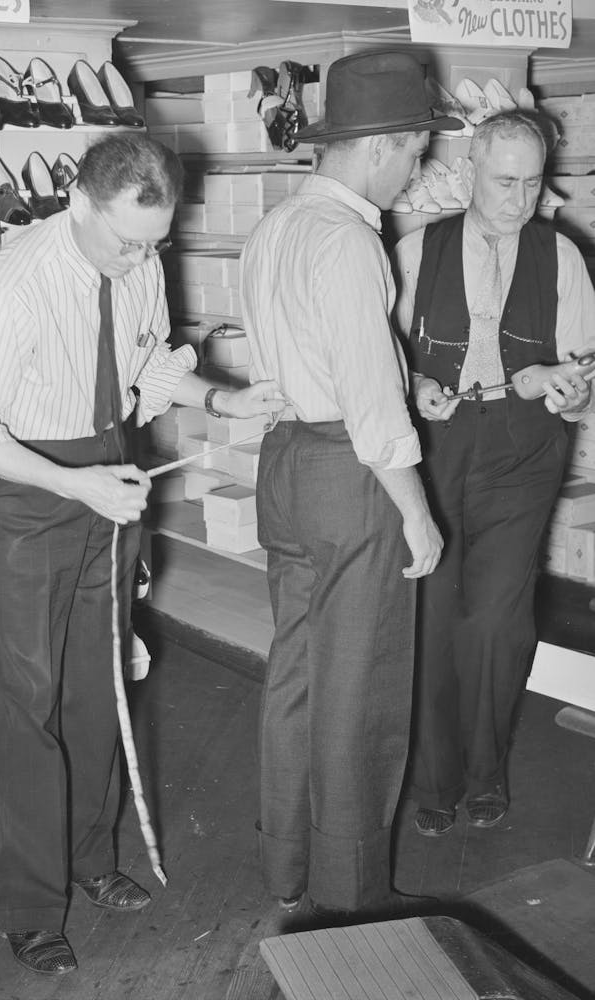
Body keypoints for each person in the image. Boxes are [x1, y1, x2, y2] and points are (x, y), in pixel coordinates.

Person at [0, 133, 285, 975]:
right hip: (24, 499)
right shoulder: (15, 285)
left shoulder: (137, 260)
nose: (141, 258)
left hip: (106, 476)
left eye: (155, 242)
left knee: (100, 683)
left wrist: (224, 400)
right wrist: (76, 486)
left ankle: (93, 861)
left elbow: (148, 369)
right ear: (79, 201)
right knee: (33, 698)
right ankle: (27, 904)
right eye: (128, 240)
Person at [239, 50, 459, 916]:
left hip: (287, 463)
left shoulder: (276, 227)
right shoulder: (350, 240)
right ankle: (351, 891)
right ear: (381, 146)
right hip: (350, 475)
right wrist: (418, 514)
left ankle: (288, 867)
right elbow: (369, 402)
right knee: (360, 687)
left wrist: (406, 387)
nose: (417, 171)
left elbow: (320, 364)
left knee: (296, 671)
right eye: (414, 153)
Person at [392, 109, 595, 839]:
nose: (517, 198)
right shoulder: (418, 250)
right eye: (504, 180)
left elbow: (582, 368)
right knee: (435, 612)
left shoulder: (561, 256)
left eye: (532, 182)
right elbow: (387, 352)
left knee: (497, 617)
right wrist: (414, 386)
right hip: (438, 443)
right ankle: (433, 781)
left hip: (523, 449)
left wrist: (569, 386)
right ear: (471, 168)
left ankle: (486, 772)